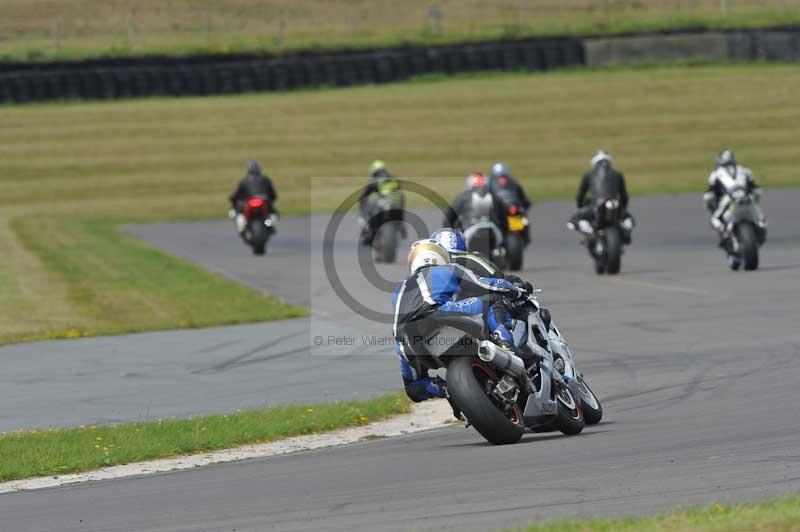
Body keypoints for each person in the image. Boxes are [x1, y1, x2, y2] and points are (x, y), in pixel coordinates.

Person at [391, 239, 529, 402]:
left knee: (414, 386)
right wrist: (516, 290)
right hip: (440, 311)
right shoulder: (449, 268)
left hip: (407, 336)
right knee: (493, 299)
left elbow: (414, 391)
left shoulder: (398, 290)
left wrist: (453, 389)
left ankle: (447, 390)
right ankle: (506, 344)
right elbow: (485, 283)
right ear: (440, 256)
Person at [568, 151, 635, 243]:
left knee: (573, 220)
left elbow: (580, 194)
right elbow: (624, 195)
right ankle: (626, 232)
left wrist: (580, 206)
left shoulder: (588, 174)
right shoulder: (617, 174)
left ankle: (589, 231)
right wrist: (622, 208)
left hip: (596, 205)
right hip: (615, 203)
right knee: (628, 218)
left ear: (594, 162)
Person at [703, 149, 765, 235]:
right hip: (747, 198)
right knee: (761, 219)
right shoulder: (745, 170)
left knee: (715, 219)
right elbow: (756, 189)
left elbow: (710, 193)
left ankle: (723, 231)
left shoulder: (716, 174)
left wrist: (710, 206)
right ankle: (760, 225)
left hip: (729, 199)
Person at [443, 172, 509, 243]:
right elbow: (504, 218)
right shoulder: (496, 197)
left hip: (470, 231)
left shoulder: (462, 197)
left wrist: (450, 232)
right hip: (493, 231)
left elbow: (449, 217)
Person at [358, 160, 405, 244]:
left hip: (384, 202)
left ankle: (369, 232)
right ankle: (401, 227)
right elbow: (399, 192)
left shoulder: (376, 179)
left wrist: (361, 199)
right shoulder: (392, 178)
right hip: (397, 203)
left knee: (370, 211)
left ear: (375, 170)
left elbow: (367, 192)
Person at [229, 160, 279, 233]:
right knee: (271, 214)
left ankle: (243, 227)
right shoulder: (265, 179)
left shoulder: (244, 181)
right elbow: (273, 194)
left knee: (237, 213)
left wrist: (234, 201)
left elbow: (236, 195)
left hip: (252, 203)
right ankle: (269, 225)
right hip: (263, 202)